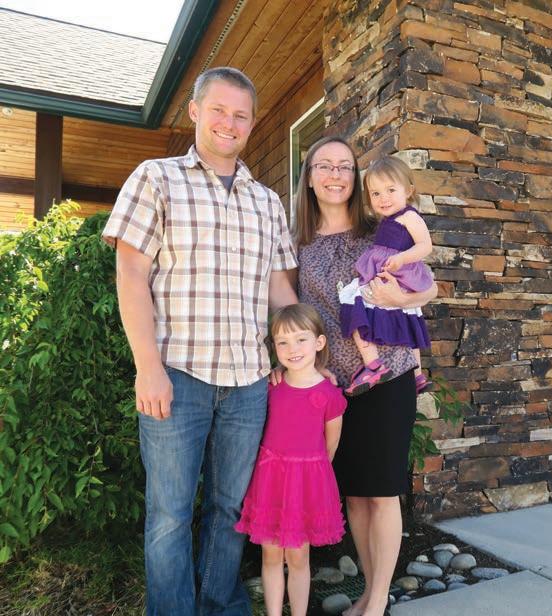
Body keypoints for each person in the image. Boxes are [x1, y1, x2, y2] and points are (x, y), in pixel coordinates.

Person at [102, 67, 298, 615]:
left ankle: (218, 605)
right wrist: (147, 367)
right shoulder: (156, 178)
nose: (228, 123)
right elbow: (131, 275)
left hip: (248, 382)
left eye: (240, 115)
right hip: (177, 375)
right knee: (169, 514)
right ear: (194, 111)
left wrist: (302, 356)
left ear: (252, 123)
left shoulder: (268, 202)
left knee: (230, 508)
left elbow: (280, 293)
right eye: (218, 110)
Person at [292, 136, 437, 616]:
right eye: (324, 166)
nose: (335, 175)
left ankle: (376, 602)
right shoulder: (297, 242)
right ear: (309, 177)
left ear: (355, 179)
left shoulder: (380, 227)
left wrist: (403, 298)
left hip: (388, 373)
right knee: (355, 493)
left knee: (383, 490)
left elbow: (428, 284)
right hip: (335, 384)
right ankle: (371, 592)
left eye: (344, 167)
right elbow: (291, 312)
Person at [235, 303, 346, 616]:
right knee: (270, 556)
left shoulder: (329, 394)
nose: (292, 349)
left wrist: (307, 476)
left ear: (319, 342)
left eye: (300, 340)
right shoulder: (272, 386)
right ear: (274, 347)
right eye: (282, 342)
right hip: (270, 481)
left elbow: (329, 447)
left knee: (298, 558)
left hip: (305, 486)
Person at [338, 155, 434, 396]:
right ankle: (417, 374)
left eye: (391, 190)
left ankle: (372, 364)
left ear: (408, 190)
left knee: (353, 298)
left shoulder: (409, 216)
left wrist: (402, 258)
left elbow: (425, 245)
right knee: (407, 316)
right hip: (391, 270)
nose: (383, 198)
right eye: (376, 193)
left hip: (398, 271)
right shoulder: (388, 220)